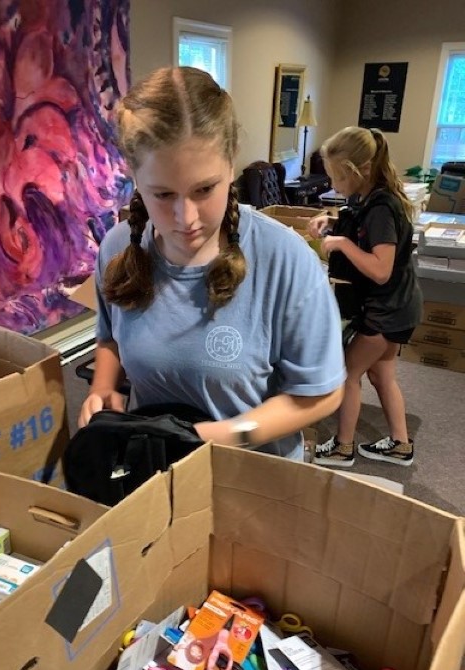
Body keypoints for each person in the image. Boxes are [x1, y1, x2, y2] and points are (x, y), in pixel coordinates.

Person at [79, 66, 345, 460]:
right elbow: (110, 338)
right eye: (163, 194)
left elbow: (321, 393)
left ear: (231, 161)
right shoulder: (119, 247)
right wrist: (104, 388)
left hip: (251, 481)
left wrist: (217, 439)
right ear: (134, 177)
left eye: (204, 189)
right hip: (153, 472)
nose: (186, 218)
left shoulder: (286, 260)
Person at [308, 126, 422, 468]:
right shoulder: (369, 198)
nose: (333, 185)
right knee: (381, 374)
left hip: (388, 308)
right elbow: (354, 221)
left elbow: (380, 269)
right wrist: (330, 222)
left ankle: (343, 448)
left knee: (347, 373)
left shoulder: (381, 208)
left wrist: (342, 244)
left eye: (336, 178)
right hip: (399, 305)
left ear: (357, 171)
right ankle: (400, 444)